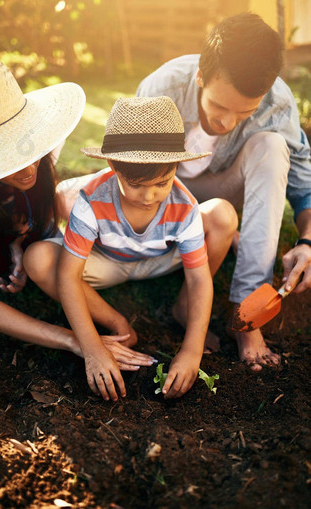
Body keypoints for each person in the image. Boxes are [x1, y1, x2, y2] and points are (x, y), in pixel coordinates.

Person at [24, 96, 238, 401]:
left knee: (222, 214)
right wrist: (93, 348)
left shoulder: (183, 205)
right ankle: (117, 323)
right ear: (112, 167)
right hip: (107, 262)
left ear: (177, 165)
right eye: (136, 185)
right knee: (39, 258)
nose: (149, 196)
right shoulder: (92, 200)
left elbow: (199, 279)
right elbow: (69, 277)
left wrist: (192, 351)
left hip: (163, 258)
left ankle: (182, 307)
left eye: (162, 183)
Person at [136, 12, 311, 371]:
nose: (227, 122)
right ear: (201, 76)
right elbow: (131, 174)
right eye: (219, 106)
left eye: (244, 111)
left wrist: (308, 242)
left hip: (225, 192)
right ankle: (216, 237)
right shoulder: (160, 90)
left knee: (272, 147)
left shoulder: (277, 104)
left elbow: (304, 192)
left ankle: (248, 314)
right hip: (165, 194)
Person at [0, 56, 154, 371]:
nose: (30, 170)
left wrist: (19, 243)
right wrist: (75, 339)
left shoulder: (43, 157)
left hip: (32, 238)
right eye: (9, 161)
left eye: (29, 151)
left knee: (80, 196)